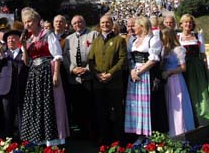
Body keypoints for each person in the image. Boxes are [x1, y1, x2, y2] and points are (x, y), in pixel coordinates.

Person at [20, 7, 69, 145]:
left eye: (29, 21)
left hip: (48, 70)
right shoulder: (28, 39)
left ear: (36, 21)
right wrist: (23, 46)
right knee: (36, 104)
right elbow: (26, 62)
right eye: (25, 22)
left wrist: (56, 75)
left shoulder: (48, 34)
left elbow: (57, 56)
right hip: (34, 74)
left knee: (49, 104)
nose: (27, 25)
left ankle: (53, 139)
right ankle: (38, 137)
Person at [124, 17, 166, 139]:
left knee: (147, 105)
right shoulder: (134, 40)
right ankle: (139, 134)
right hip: (134, 74)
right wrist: (132, 71)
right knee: (136, 104)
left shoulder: (152, 39)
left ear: (142, 27)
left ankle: (150, 135)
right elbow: (130, 58)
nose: (133, 28)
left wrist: (139, 71)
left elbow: (153, 59)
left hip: (147, 74)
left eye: (135, 25)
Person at [89, 15, 127, 145]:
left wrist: (110, 74)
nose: (105, 25)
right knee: (101, 112)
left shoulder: (119, 40)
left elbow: (122, 60)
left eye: (107, 22)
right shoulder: (96, 41)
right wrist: (97, 74)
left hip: (114, 84)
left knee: (117, 113)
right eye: (102, 23)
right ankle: (104, 139)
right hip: (99, 83)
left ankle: (119, 140)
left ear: (112, 24)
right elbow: (90, 60)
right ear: (100, 25)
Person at [63, 15, 98, 138]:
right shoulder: (68, 38)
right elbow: (65, 57)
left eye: (79, 22)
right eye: (74, 23)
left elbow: (97, 54)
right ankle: (81, 132)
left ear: (84, 22)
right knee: (77, 107)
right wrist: (72, 69)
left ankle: (92, 132)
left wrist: (87, 68)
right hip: (74, 78)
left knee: (91, 105)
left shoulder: (93, 34)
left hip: (89, 77)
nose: (77, 24)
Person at [0, 26, 27, 138]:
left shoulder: (24, 54)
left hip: (21, 90)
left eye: (13, 38)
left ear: (19, 41)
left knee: (21, 117)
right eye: (8, 39)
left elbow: (28, 65)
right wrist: (1, 57)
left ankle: (23, 141)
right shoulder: (3, 54)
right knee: (6, 117)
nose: (10, 41)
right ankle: (7, 141)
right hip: (6, 90)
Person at [161, 28, 195, 137]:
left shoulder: (178, 49)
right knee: (169, 106)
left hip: (176, 80)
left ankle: (181, 131)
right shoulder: (163, 49)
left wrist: (170, 72)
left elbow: (183, 68)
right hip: (167, 82)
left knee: (178, 106)